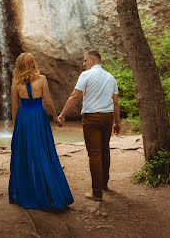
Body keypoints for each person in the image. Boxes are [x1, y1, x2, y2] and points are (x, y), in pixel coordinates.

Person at [8, 52, 74, 210]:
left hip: (24, 119)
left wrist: (17, 126)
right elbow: (48, 102)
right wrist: (55, 118)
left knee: (24, 154)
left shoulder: (15, 82)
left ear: (19, 65)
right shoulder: (42, 79)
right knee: (43, 152)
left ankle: (27, 192)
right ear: (33, 63)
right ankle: (51, 193)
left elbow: (15, 107)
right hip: (38, 117)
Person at [58, 49, 121, 202]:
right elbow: (115, 103)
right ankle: (104, 183)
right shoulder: (111, 78)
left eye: (85, 60)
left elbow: (74, 96)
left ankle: (97, 192)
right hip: (107, 117)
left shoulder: (86, 75)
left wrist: (62, 115)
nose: (83, 63)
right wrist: (117, 123)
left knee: (94, 154)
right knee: (105, 151)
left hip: (92, 118)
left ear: (93, 60)